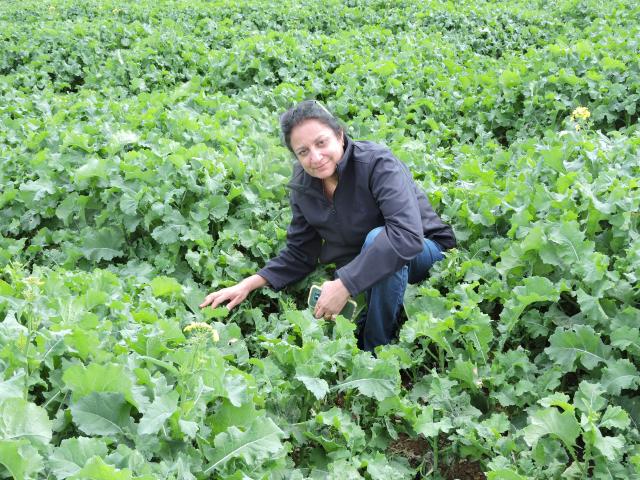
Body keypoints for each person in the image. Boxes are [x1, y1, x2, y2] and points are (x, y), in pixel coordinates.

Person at [200, 100, 456, 351]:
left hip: (426, 249)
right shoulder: (303, 185)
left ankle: (375, 349)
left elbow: (405, 236)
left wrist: (345, 284)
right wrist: (247, 284)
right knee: (372, 248)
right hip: (367, 259)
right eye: (303, 152)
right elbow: (300, 253)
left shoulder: (377, 163)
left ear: (339, 136)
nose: (315, 157)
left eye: (321, 143)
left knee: (380, 238)